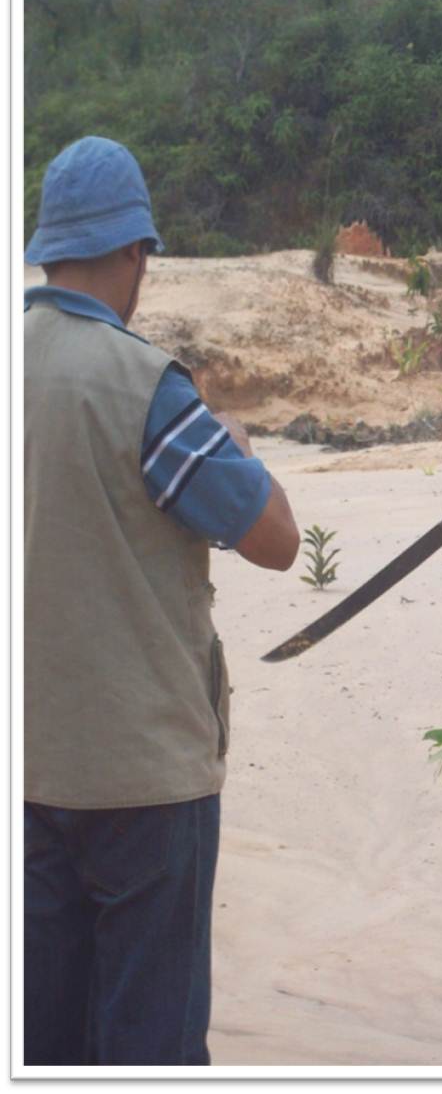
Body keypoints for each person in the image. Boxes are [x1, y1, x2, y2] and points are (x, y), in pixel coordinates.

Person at [24, 136, 300, 1064]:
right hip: (144, 780)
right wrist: (241, 449)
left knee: (45, 1038)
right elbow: (274, 539)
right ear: (137, 251)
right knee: (149, 1045)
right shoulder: (146, 386)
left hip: (27, 771)